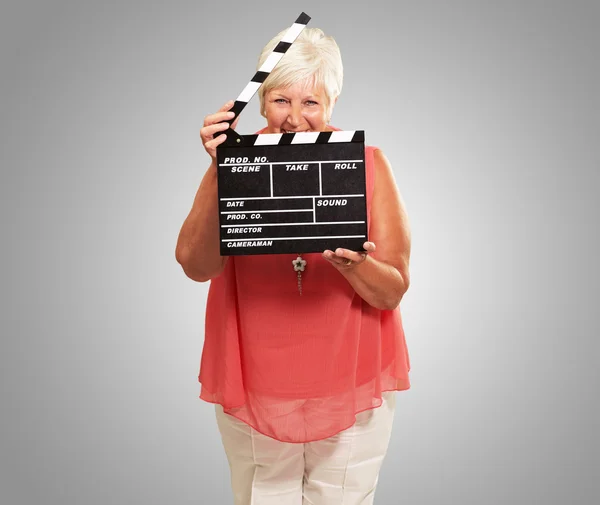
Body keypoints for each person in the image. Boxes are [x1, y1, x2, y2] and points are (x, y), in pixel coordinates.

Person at [176, 26, 412, 505]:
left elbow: (391, 290)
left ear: (333, 103)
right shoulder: (236, 162)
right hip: (255, 375)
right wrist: (221, 166)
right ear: (261, 103)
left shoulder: (367, 163)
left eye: (312, 103)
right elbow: (195, 266)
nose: (295, 120)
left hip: (350, 371)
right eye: (282, 100)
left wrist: (352, 265)